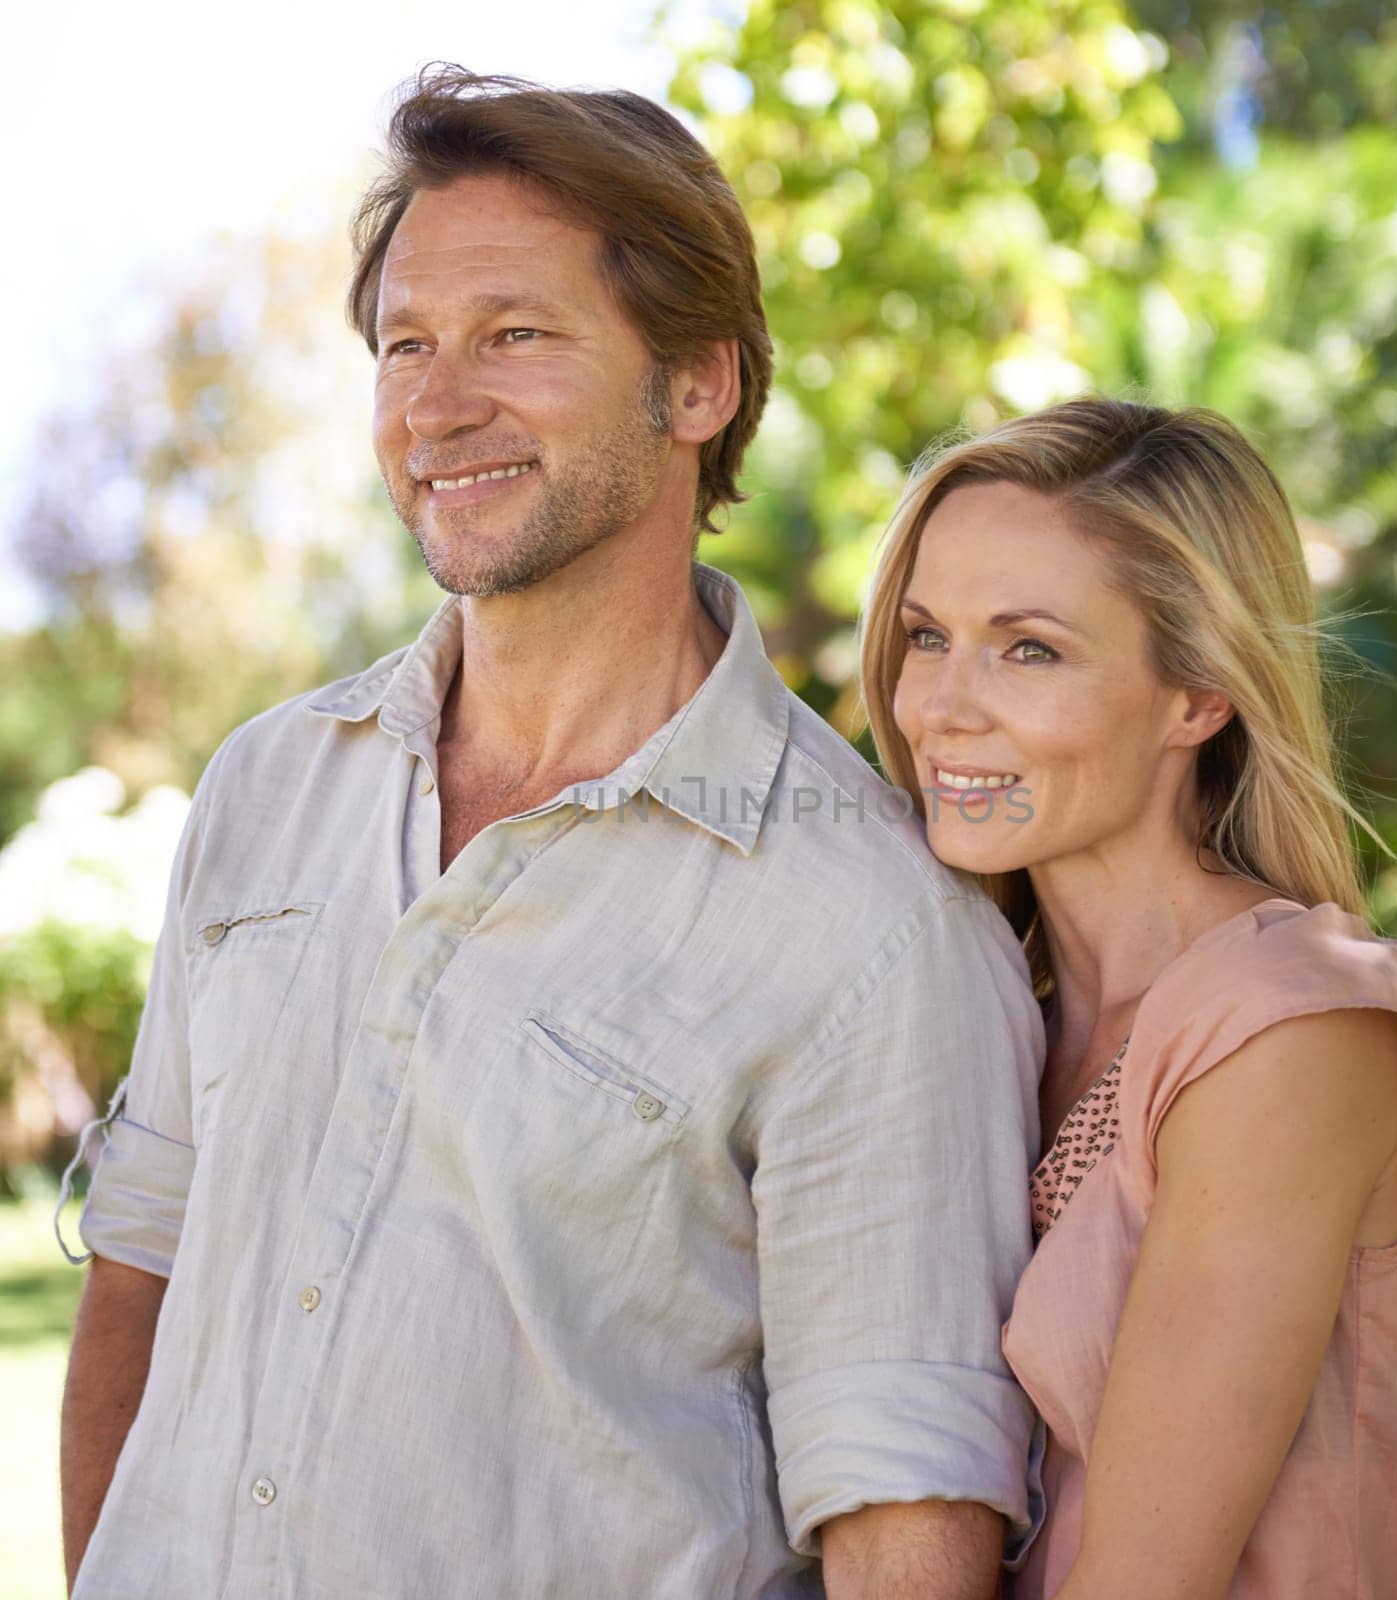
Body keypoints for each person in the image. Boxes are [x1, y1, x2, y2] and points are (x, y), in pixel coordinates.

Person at [56, 69, 1047, 1599]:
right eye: (405, 345)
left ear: (699, 385)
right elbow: (145, 1270)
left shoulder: (875, 930)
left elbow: (900, 1519)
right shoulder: (266, 787)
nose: (440, 406)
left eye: (516, 335)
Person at [859, 396, 1397, 1600]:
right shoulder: (989, 1000)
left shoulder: (1289, 1029)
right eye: (925, 635)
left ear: (1197, 697)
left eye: (1029, 648)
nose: (940, 708)